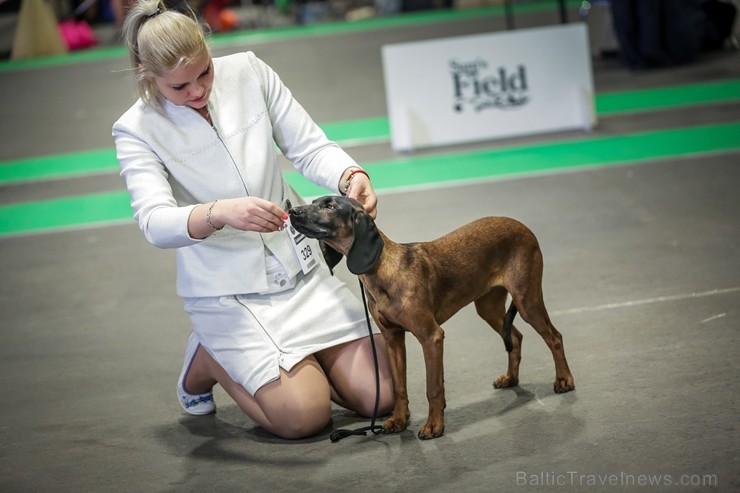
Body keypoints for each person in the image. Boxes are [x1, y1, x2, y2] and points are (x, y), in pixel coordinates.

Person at [112, 0, 394, 439]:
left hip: (300, 271)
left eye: (204, 72)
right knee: (303, 417)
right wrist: (218, 212)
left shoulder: (248, 70)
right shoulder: (135, 129)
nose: (198, 90)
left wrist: (350, 174)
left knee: (384, 397)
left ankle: (304, 359)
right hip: (227, 294)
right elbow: (154, 222)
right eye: (179, 87)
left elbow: (309, 146)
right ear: (149, 80)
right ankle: (209, 356)